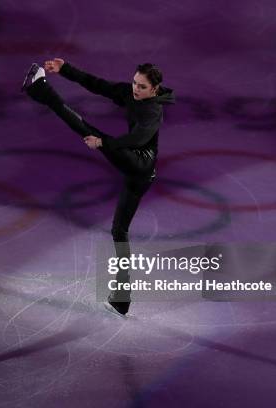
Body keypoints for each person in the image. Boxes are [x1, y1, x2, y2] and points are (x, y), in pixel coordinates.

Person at [22, 58, 175, 316]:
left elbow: (138, 138)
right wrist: (66, 69)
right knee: (119, 229)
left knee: (87, 129)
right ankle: (122, 298)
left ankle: (41, 90)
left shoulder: (153, 112)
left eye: (142, 87)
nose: (136, 90)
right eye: (135, 83)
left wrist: (104, 143)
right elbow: (99, 85)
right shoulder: (130, 93)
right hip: (135, 170)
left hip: (139, 164)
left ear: (155, 89)